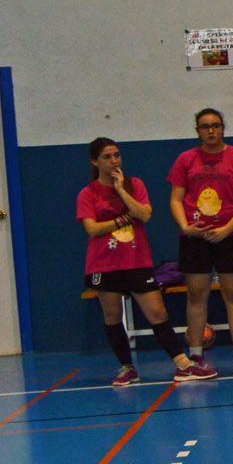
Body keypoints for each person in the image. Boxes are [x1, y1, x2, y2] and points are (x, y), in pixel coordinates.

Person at [79, 138, 210, 384]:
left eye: (117, 155)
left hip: (136, 261)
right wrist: (120, 221)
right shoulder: (88, 193)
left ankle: (183, 364)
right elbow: (92, 228)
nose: (114, 161)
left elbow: (144, 214)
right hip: (104, 264)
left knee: (157, 311)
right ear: (95, 161)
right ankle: (127, 367)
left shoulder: (135, 184)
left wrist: (120, 191)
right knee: (112, 315)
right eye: (107, 157)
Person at [167, 106, 233, 377]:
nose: (211, 130)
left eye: (215, 125)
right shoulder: (185, 160)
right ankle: (195, 357)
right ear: (197, 131)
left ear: (223, 128)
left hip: (231, 237)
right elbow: (175, 198)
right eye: (205, 126)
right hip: (195, 237)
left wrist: (228, 229)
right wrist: (186, 227)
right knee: (196, 294)